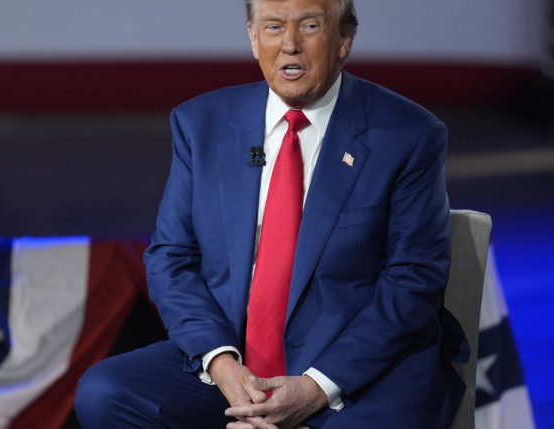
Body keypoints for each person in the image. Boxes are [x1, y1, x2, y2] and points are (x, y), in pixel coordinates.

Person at [74, 0, 464, 427]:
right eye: (274, 27)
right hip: (234, 368)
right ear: (253, 38)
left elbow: (413, 279)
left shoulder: (407, 134)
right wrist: (223, 365)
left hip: (354, 377)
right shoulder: (201, 124)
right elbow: (171, 258)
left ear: (344, 40)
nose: (290, 45)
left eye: (310, 26)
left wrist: (316, 386)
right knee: (106, 393)